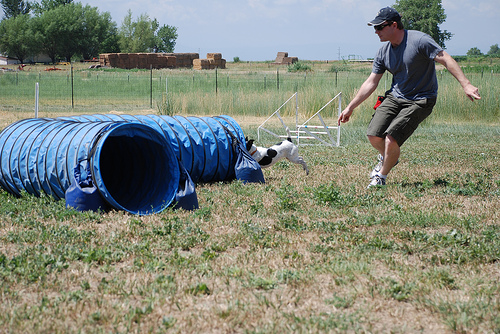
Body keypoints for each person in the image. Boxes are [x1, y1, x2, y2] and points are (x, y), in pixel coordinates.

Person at [337, 7, 481, 188]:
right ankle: (391, 157)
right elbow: (371, 82)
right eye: (375, 28)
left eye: (380, 27)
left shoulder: (420, 41)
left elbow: (446, 59)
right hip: (396, 97)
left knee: (391, 138)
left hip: (422, 99)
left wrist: (466, 84)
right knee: (373, 135)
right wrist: (350, 107)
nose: (376, 32)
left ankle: (381, 176)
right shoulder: (383, 52)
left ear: (394, 25)